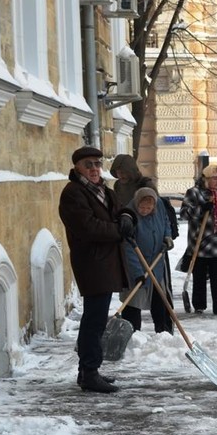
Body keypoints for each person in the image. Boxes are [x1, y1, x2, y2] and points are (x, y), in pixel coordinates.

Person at [58, 146, 133, 393]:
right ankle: (89, 372)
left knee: (97, 319)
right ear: (77, 167)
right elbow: (88, 227)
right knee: (94, 320)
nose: (94, 169)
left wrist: (126, 218)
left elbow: (121, 208)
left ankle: (87, 371)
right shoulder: (73, 193)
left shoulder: (103, 189)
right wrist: (117, 230)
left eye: (97, 164)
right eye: (88, 164)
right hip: (92, 263)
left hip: (107, 262)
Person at [120, 187, 174, 334]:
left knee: (160, 301)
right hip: (136, 267)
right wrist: (137, 273)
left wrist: (167, 237)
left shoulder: (160, 207)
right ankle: (130, 335)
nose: (144, 210)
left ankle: (164, 333)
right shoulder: (129, 216)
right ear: (136, 204)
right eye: (142, 207)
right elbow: (128, 248)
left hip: (156, 264)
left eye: (148, 208)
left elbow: (166, 222)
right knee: (133, 303)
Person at [183, 164, 217, 315]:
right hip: (201, 242)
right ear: (205, 179)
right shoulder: (194, 192)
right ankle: (199, 305)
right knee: (199, 277)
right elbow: (185, 214)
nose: (216, 181)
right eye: (213, 178)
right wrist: (202, 208)